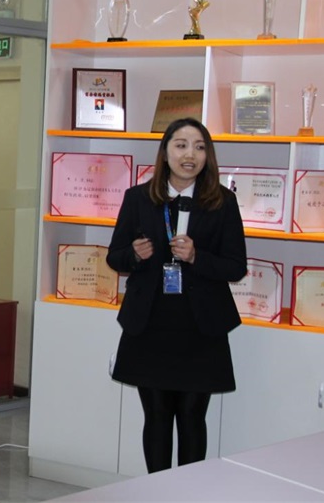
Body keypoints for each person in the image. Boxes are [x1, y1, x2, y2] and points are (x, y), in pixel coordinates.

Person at [105, 117, 247, 474]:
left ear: (207, 156)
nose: (190, 155)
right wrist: (133, 255)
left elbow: (236, 266)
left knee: (192, 416)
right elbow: (115, 257)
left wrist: (198, 257)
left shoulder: (223, 202)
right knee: (156, 415)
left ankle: (189, 492)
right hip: (150, 324)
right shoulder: (138, 198)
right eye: (181, 145)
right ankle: (157, 491)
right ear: (165, 151)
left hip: (201, 326)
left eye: (199, 147)